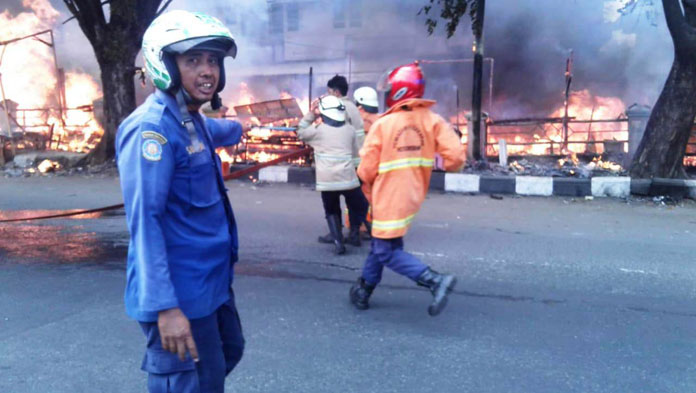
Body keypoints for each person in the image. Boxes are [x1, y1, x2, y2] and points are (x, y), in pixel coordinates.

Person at [115, 10, 244, 392]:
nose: (208, 71)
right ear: (166, 65)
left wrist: (242, 128)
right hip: (179, 295)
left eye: (213, 61)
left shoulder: (189, 119)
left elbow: (216, 132)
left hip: (210, 286)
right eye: (193, 61)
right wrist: (165, 308)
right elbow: (145, 222)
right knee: (191, 383)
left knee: (228, 353)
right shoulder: (151, 130)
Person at [350, 62, 466, 316]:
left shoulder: (383, 124)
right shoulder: (432, 121)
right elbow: (456, 158)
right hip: (412, 197)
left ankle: (434, 280)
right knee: (385, 245)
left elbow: (365, 170)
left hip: (387, 198)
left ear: (400, 91)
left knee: (384, 250)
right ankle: (364, 289)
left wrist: (366, 184)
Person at [297, 95, 368, 255]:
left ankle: (338, 242)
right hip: (348, 178)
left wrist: (311, 115)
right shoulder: (349, 130)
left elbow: (300, 131)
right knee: (359, 206)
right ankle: (359, 234)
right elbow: (356, 153)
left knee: (331, 209)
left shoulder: (318, 131)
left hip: (327, 181)